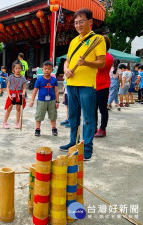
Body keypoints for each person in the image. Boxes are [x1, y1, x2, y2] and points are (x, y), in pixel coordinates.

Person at [60, 8, 106, 161]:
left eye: (81, 22)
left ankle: (87, 147)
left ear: (90, 22)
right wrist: (66, 69)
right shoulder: (74, 41)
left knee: (88, 117)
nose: (78, 25)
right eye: (76, 22)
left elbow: (101, 62)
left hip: (87, 85)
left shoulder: (97, 39)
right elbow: (67, 60)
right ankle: (73, 142)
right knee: (73, 116)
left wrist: (85, 62)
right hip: (71, 83)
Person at [30, 61, 59, 136]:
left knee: (53, 115)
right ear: (42, 70)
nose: (47, 70)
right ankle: (37, 129)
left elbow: (56, 91)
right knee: (39, 115)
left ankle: (54, 128)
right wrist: (32, 100)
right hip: (41, 101)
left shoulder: (54, 80)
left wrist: (57, 101)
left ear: (52, 70)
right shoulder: (39, 80)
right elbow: (35, 91)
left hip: (52, 100)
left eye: (49, 69)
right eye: (45, 69)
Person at [94, 35, 113, 138]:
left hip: (103, 86)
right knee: (93, 109)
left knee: (102, 109)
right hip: (93, 86)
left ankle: (102, 129)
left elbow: (98, 67)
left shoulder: (108, 57)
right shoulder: (95, 55)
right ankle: (94, 127)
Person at [3, 60, 27, 129]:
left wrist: (23, 92)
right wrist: (9, 95)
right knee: (9, 108)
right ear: (13, 69)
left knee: (18, 108)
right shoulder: (10, 77)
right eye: (16, 68)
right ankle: (5, 122)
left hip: (19, 94)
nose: (18, 70)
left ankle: (17, 122)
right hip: (11, 94)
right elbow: (7, 87)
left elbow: (24, 88)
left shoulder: (23, 78)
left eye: (19, 68)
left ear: (21, 69)